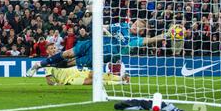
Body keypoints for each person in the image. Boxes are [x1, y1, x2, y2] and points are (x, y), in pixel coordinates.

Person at [27, 19, 168, 76]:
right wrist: (101, 26)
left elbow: (151, 40)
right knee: (67, 54)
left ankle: (47, 66)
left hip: (100, 55)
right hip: (93, 43)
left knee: (71, 63)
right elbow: (104, 27)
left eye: (139, 27)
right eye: (135, 23)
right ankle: (38, 65)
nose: (135, 26)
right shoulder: (122, 25)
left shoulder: (135, 40)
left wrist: (167, 35)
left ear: (141, 31)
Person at [43, 43, 129, 86]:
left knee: (97, 74)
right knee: (92, 81)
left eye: (54, 48)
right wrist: (55, 84)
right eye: (51, 49)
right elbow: (48, 79)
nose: (54, 50)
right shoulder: (48, 63)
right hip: (70, 79)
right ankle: (120, 83)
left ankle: (121, 78)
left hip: (79, 72)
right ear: (47, 51)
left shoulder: (62, 55)